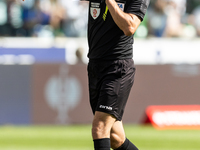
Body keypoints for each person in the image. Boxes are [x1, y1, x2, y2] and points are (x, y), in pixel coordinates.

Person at [86, 0, 150, 150]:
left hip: (117, 67)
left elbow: (130, 27)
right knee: (116, 138)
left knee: (100, 128)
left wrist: (110, 2)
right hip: (95, 66)